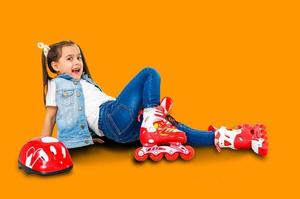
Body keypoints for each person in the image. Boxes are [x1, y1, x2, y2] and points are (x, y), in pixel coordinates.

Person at [38, 40, 268, 159]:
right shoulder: (57, 84)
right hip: (110, 116)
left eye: (78, 56)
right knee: (149, 73)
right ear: (55, 66)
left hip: (119, 132)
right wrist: (44, 144)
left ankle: (233, 139)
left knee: (177, 130)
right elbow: (51, 116)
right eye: (70, 58)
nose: (77, 62)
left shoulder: (85, 83)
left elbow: (80, 113)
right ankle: (153, 118)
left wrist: (94, 135)